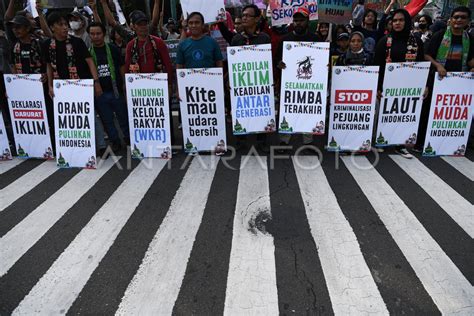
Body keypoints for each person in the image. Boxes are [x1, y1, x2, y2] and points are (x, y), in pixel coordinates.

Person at [43, 12, 107, 156]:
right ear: (52, 27)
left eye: (66, 24)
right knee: (68, 118)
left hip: (81, 85)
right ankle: (74, 146)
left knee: (89, 114)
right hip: (61, 88)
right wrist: (50, 86)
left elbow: (90, 61)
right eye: (61, 25)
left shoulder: (76, 42)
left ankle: (101, 145)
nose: (65, 27)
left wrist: (96, 82)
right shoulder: (47, 45)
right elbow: (48, 66)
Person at [415, 6, 474, 151]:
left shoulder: (470, 39)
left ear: (468, 21)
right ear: (451, 19)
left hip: (459, 82)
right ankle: (422, 142)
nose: (459, 20)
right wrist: (438, 66)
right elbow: (427, 55)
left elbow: (470, 60)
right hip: (438, 79)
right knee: (429, 110)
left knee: (453, 113)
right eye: (456, 17)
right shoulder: (440, 35)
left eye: (463, 17)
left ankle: (450, 143)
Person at [374, 8, 425, 159]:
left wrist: (425, 85)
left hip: (408, 87)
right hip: (387, 86)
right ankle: (382, 140)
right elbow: (377, 65)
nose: (397, 23)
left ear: (407, 22)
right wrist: (377, 87)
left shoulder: (416, 42)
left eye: (401, 20)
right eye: (394, 20)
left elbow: (421, 63)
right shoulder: (385, 41)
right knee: (386, 114)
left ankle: (400, 144)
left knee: (404, 114)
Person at [276, 7, 322, 153]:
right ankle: (284, 142)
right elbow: (277, 59)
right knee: (288, 109)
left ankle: (308, 142)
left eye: (301, 20)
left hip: (309, 83)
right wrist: (280, 64)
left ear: (308, 21)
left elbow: (321, 61)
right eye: (296, 20)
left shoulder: (316, 40)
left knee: (308, 109)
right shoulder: (285, 40)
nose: (298, 23)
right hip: (290, 83)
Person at [231, 4, 271, 153]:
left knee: (261, 109)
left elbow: (267, 61)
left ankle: (262, 140)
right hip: (241, 81)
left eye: (248, 15)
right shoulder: (236, 39)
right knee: (241, 108)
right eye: (243, 15)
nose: (244, 18)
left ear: (257, 19)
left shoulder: (264, 38)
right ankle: (241, 140)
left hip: (259, 80)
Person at [88, 22, 129, 152]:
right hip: (100, 93)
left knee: (123, 116)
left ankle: (128, 138)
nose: (95, 37)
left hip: (116, 90)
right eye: (92, 34)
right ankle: (115, 141)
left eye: (98, 33)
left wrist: (124, 83)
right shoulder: (88, 53)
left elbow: (121, 66)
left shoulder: (112, 48)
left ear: (104, 34)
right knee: (107, 120)